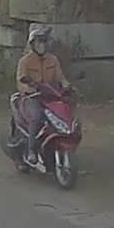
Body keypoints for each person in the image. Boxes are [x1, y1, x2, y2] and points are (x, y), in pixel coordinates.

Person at [15, 26, 70, 164]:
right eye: (38, 42)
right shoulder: (25, 61)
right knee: (37, 117)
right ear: (32, 44)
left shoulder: (53, 60)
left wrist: (66, 85)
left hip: (50, 96)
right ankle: (31, 150)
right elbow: (20, 81)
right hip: (32, 98)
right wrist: (29, 90)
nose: (42, 45)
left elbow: (60, 77)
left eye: (44, 41)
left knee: (65, 113)